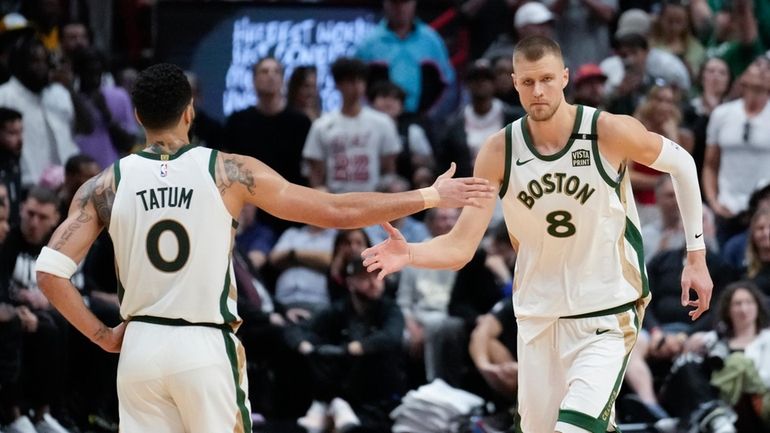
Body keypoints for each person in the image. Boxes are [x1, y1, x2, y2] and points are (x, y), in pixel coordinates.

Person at [33, 63, 493, 433]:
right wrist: (429, 195)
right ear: (190, 111)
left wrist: (102, 335)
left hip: (139, 349)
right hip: (203, 345)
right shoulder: (228, 171)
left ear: (137, 116)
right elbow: (334, 210)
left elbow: (50, 273)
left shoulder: (103, 185)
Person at [362, 36, 713, 433]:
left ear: (564, 77)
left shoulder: (606, 131)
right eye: (528, 82)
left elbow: (682, 163)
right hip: (538, 316)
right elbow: (461, 246)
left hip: (607, 311)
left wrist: (696, 256)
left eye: (547, 79)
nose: (538, 91)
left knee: (575, 429)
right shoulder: (499, 151)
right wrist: (410, 254)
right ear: (514, 83)